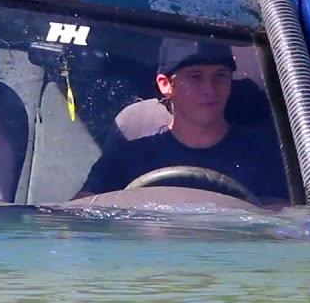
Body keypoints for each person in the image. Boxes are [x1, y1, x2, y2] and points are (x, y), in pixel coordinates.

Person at [77, 38, 290, 204]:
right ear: (165, 85)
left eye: (221, 76)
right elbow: (79, 216)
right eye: (195, 77)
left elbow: (288, 221)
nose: (209, 90)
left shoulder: (264, 156)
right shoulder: (127, 158)